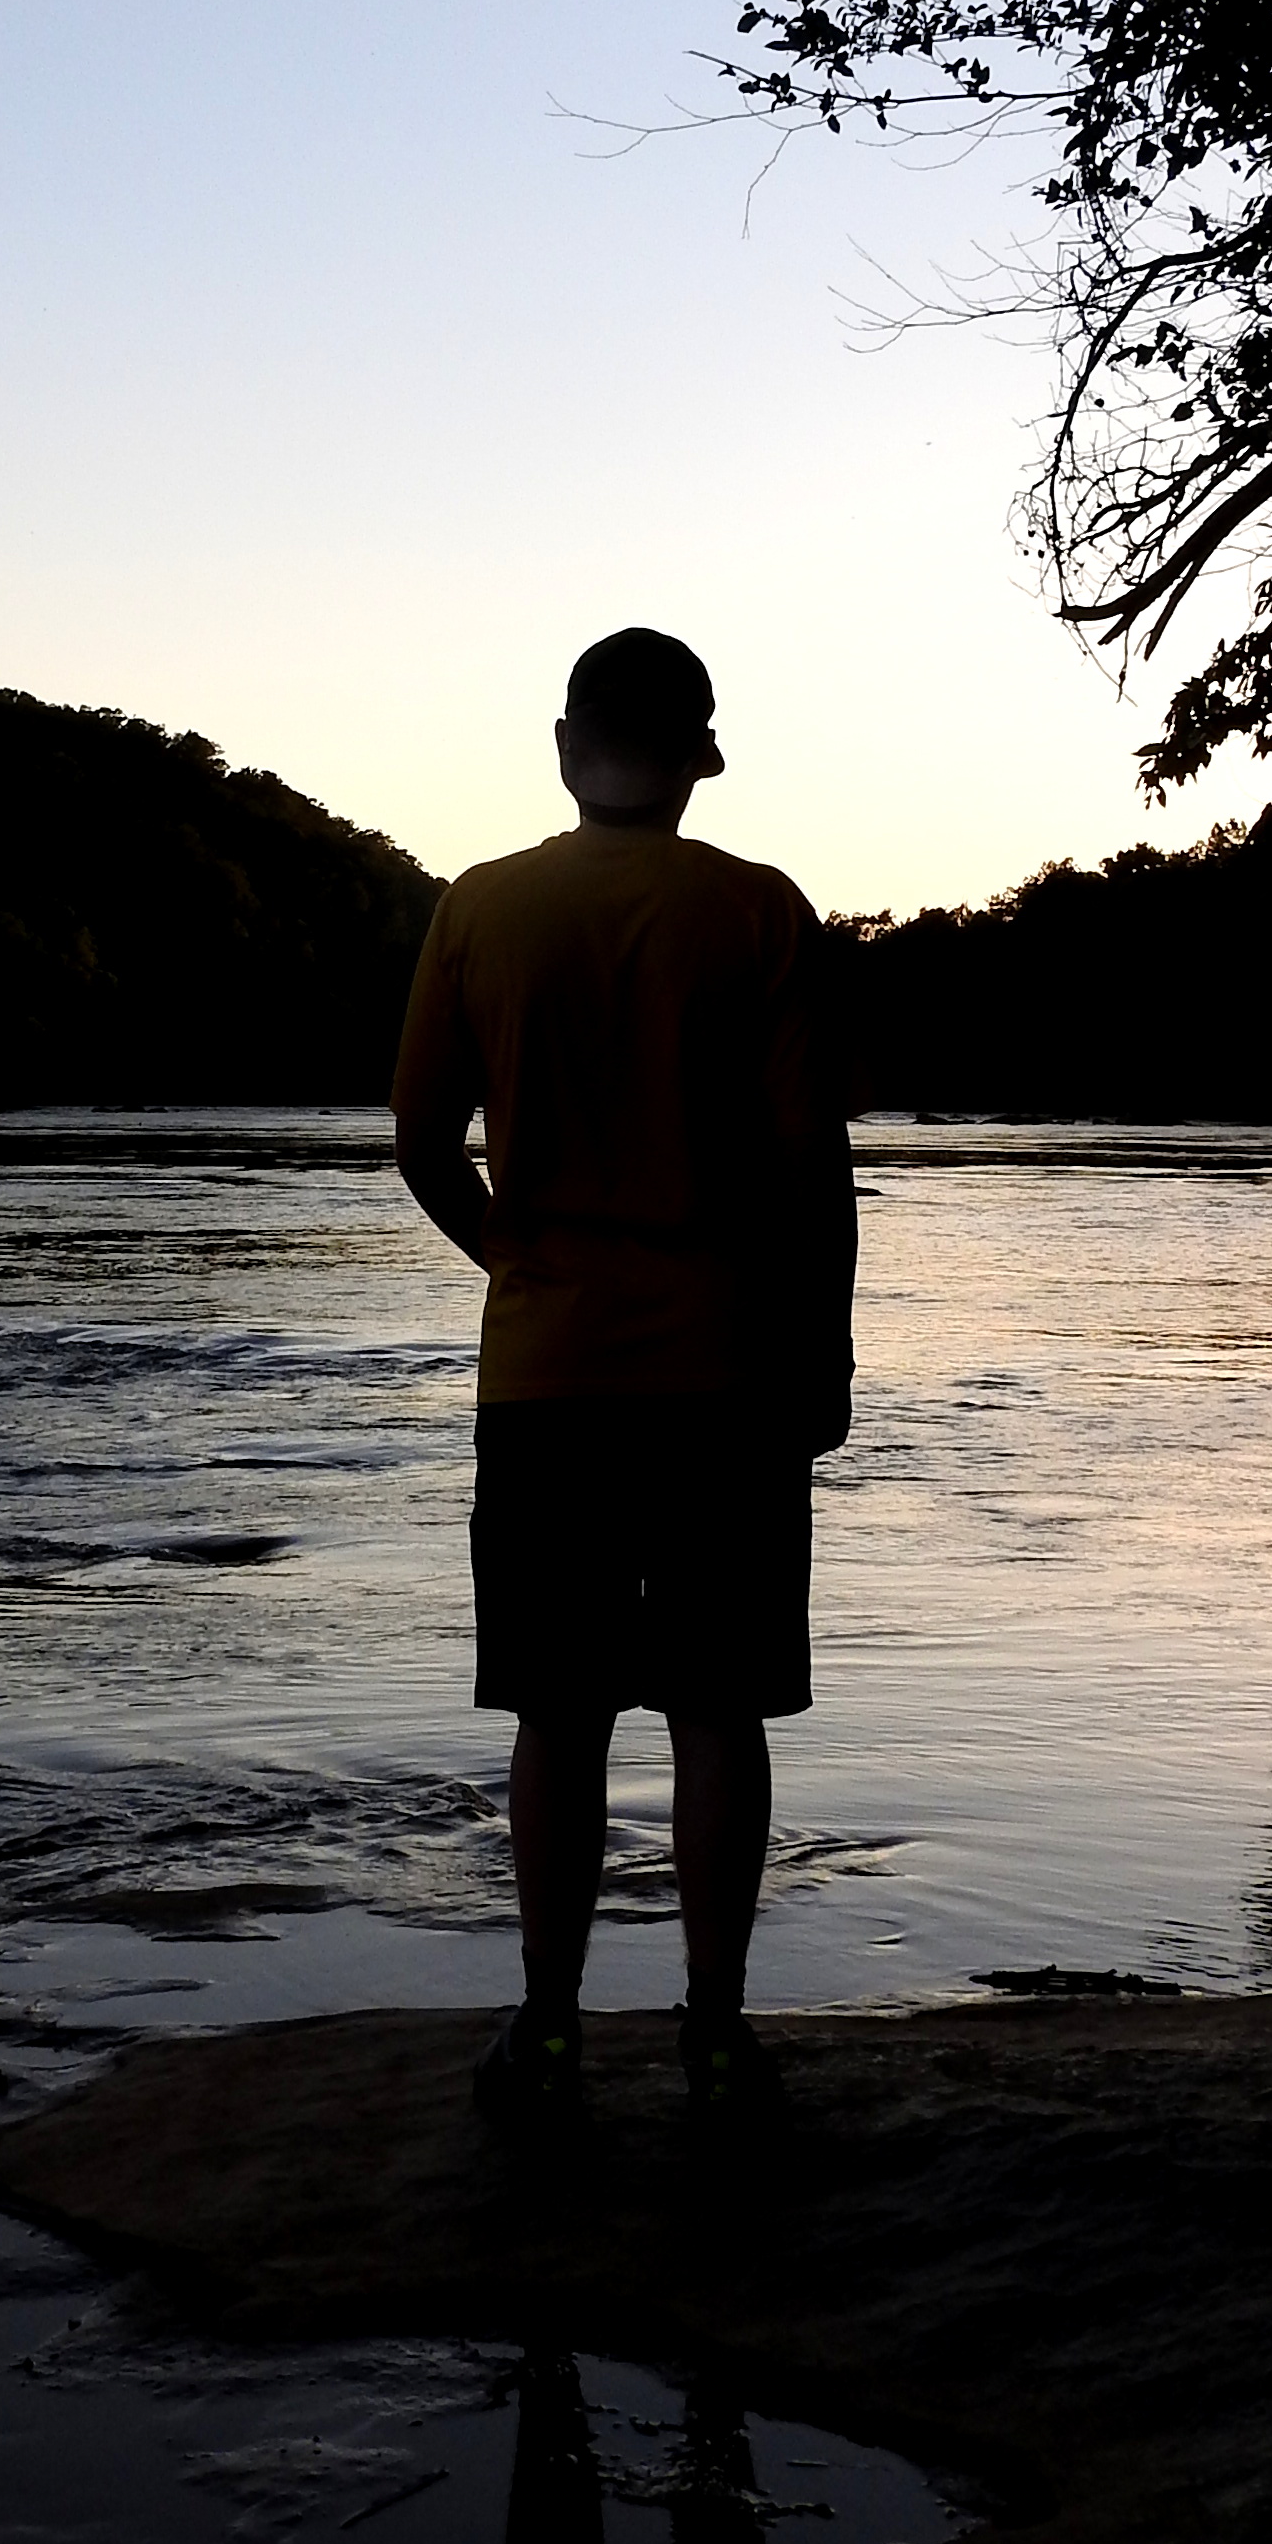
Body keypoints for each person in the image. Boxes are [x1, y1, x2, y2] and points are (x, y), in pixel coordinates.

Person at [390, 627, 855, 2132]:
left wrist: (516, 1261)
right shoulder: (758, 910)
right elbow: (813, 1173)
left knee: (559, 1710)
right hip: (728, 1372)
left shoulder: (481, 905)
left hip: (547, 1379)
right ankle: (715, 2035)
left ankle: (547, 2030)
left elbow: (420, 1143)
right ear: (701, 758)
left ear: (564, 747)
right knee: (718, 1711)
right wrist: (825, 1351)